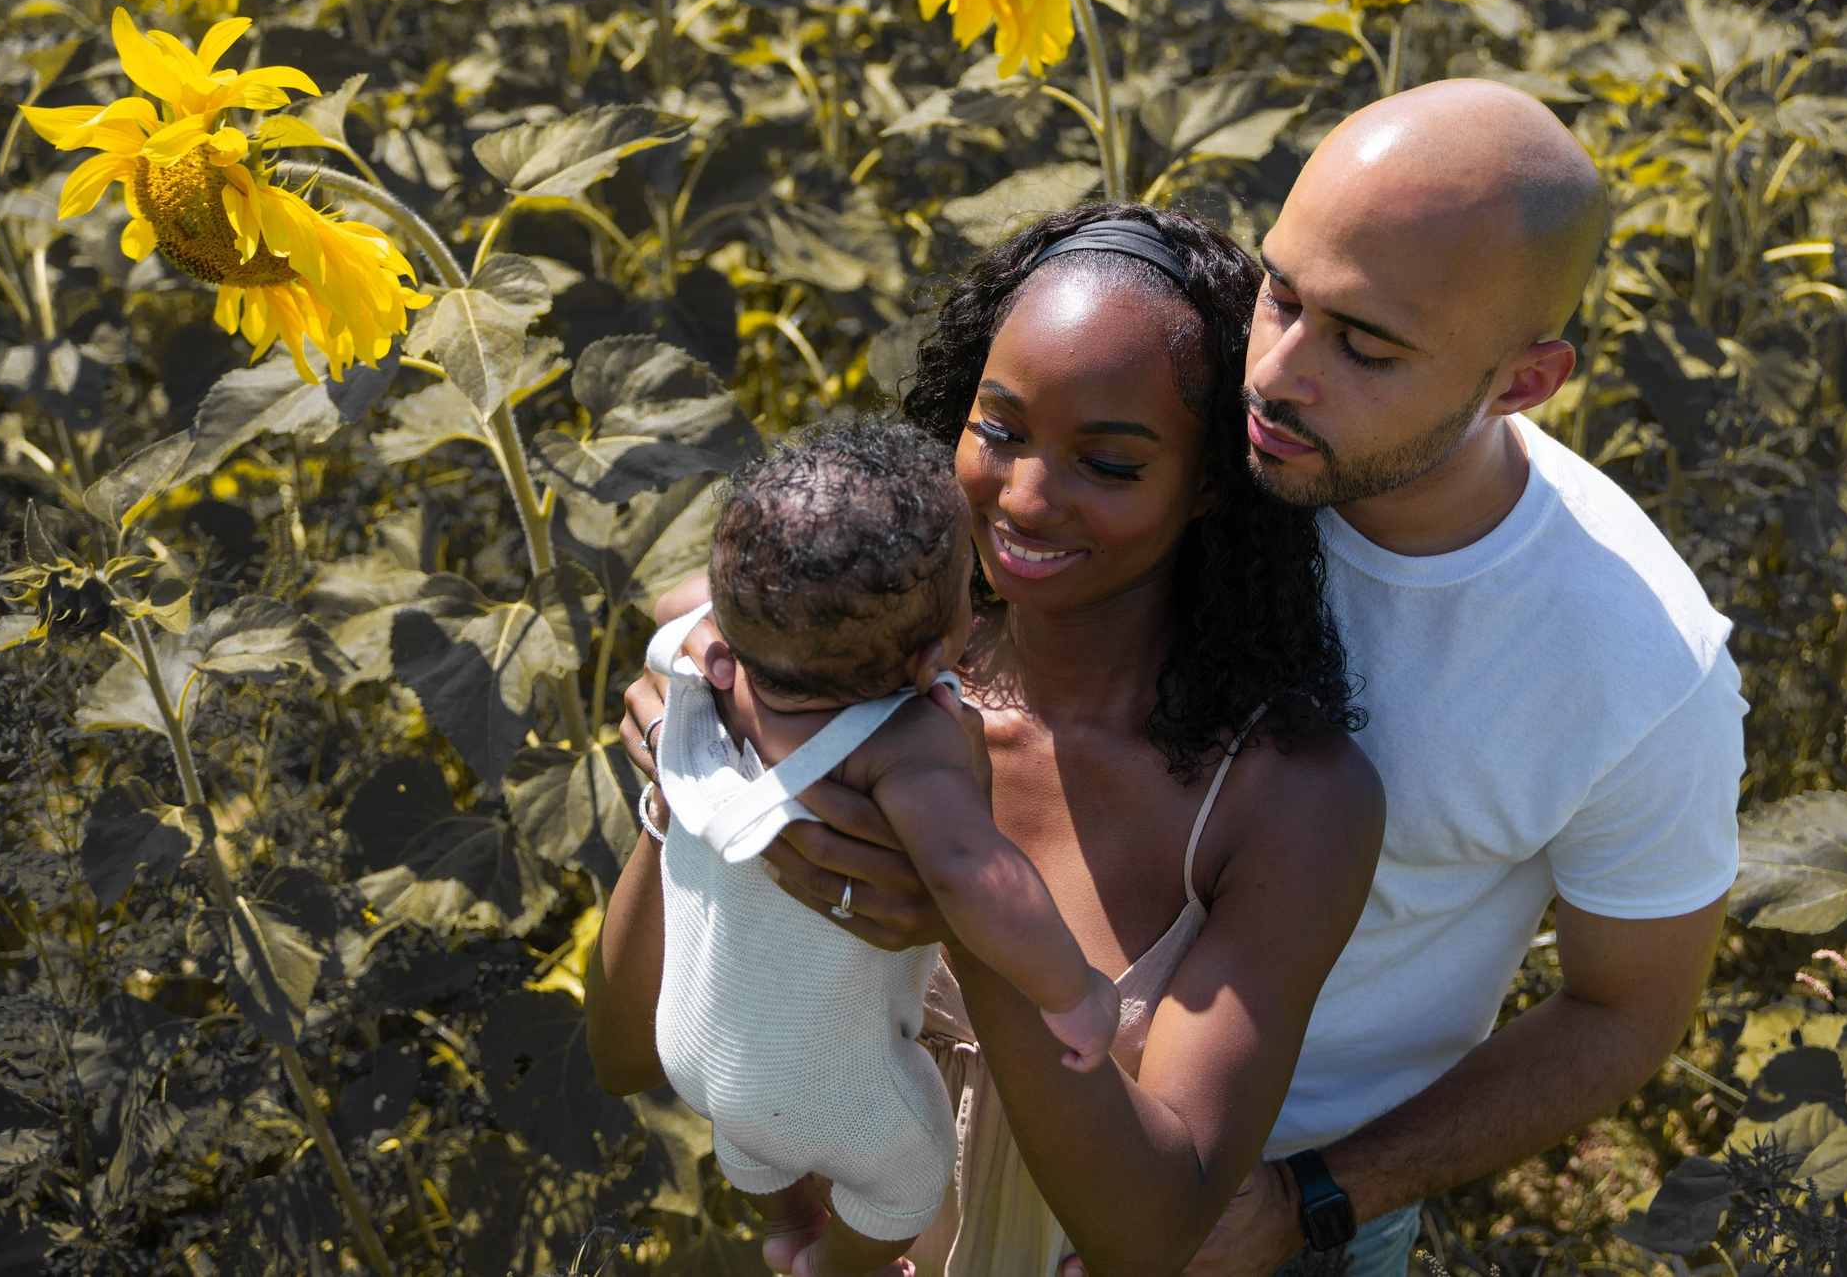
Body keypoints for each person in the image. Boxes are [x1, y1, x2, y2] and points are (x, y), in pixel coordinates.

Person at [713, 81, 1747, 1277]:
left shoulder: (1634, 664)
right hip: (932, 1114)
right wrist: (705, 679)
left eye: (1364, 342)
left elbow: (1622, 1012)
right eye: (1284, 294)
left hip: (1248, 1220)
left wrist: (1318, 1196)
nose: (1276, 370)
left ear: (1524, 379)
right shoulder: (1195, 434)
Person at [591, 205, 1387, 1277]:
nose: (1023, 498)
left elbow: (1150, 1233)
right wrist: (685, 785)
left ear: (1207, 482)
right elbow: (626, 1048)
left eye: (1108, 463)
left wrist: (968, 919)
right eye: (999, 430)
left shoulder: (1284, 798)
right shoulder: (837, 688)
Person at [628, 420, 1123, 1277]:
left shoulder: (706, 655)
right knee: (908, 1181)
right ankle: (836, 1266)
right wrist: (1073, 990)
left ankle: (784, 1226)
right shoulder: (900, 742)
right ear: (934, 654)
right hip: (822, 1083)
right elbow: (980, 875)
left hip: (690, 1039)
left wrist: (721, 622)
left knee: (747, 1135)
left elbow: (674, 603)